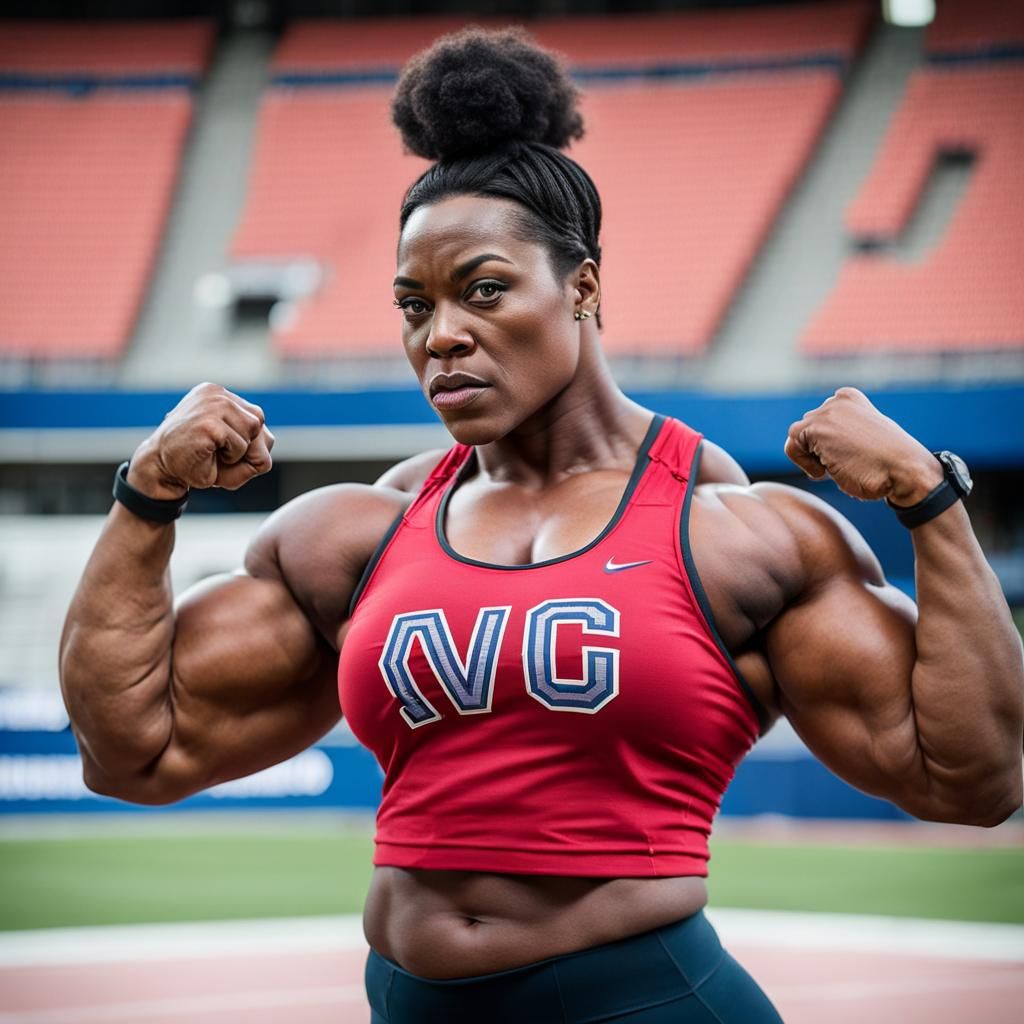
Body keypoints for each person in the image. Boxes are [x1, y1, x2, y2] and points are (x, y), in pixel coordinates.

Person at [60, 27, 1022, 1024]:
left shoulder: (740, 537)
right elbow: (133, 751)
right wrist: (144, 498)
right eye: (411, 304)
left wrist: (930, 500)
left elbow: (971, 780)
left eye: (483, 290)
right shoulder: (355, 535)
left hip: (643, 1002)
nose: (440, 336)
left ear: (583, 287)